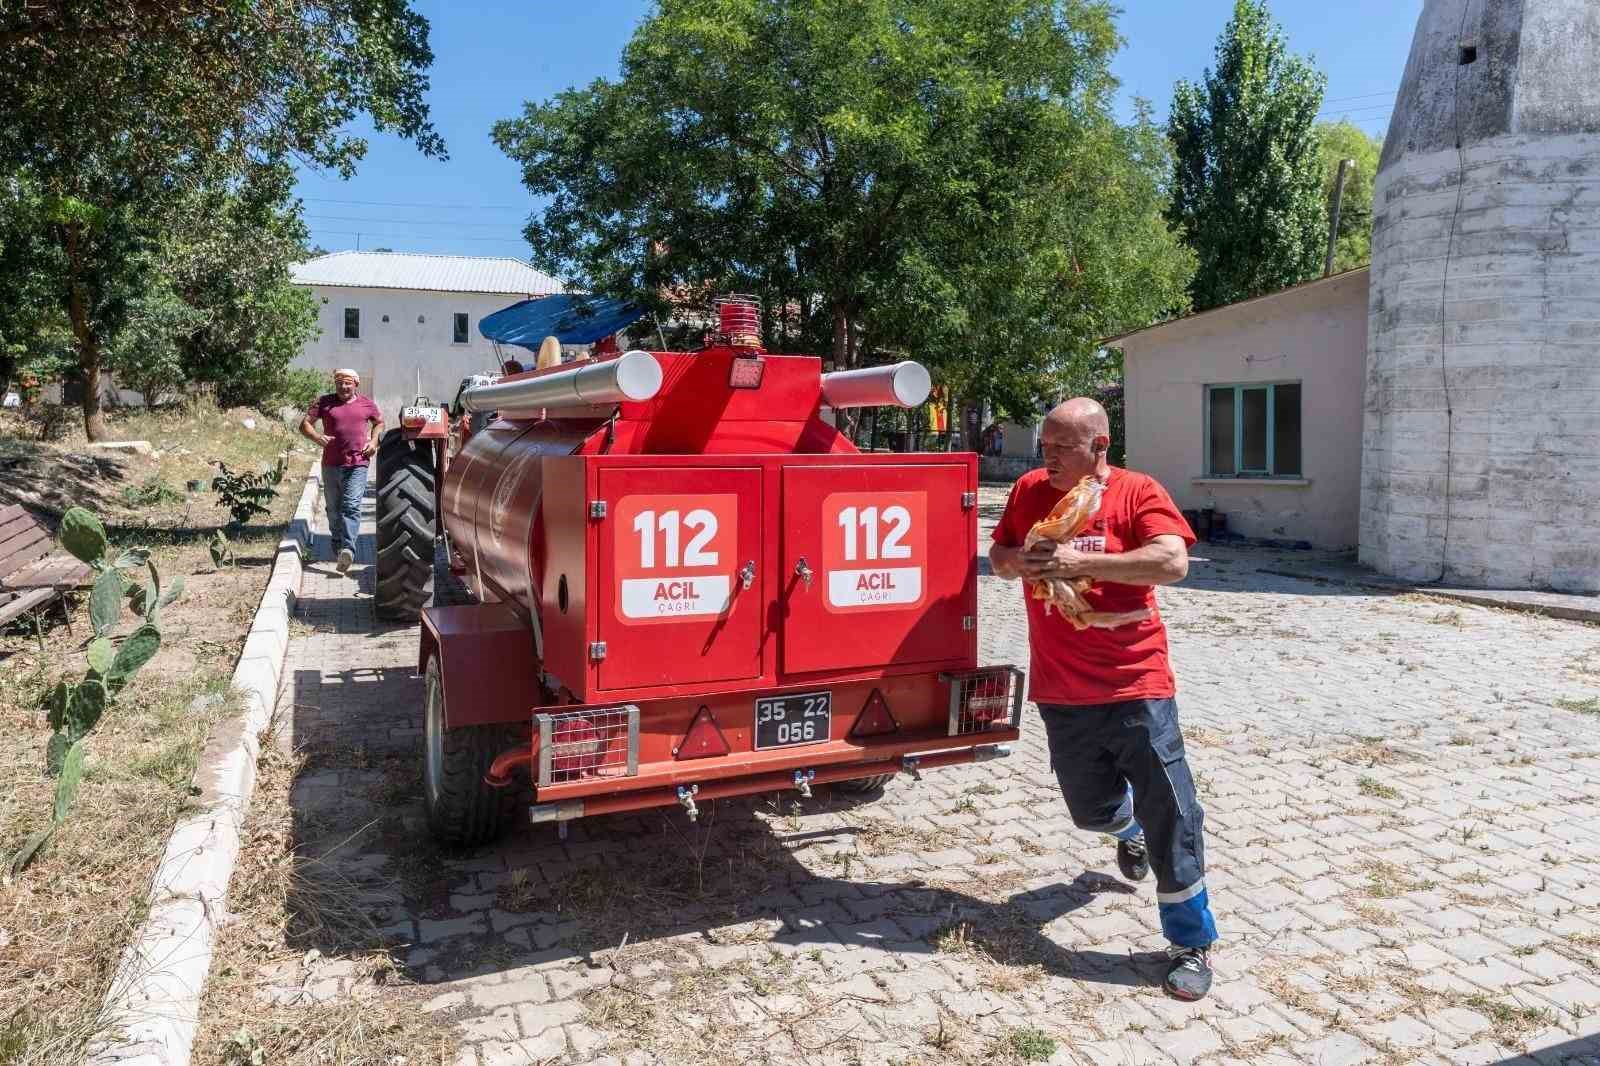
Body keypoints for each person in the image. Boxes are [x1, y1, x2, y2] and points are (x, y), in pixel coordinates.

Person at [988, 397, 1219, 1001]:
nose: (1049, 459)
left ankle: (1189, 942)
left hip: (1136, 683)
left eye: (1062, 448)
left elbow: (1173, 561)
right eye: (1044, 446)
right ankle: (1126, 829)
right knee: (1089, 810)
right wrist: (1021, 563)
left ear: (1099, 447)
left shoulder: (1136, 492)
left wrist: (1077, 560)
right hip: (1061, 688)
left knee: (1174, 811)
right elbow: (999, 556)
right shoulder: (1030, 491)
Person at [299, 369, 384, 575]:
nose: (343, 387)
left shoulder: (366, 404)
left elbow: (379, 422)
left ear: (356, 384)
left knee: (351, 506)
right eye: (339, 384)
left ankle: (348, 548)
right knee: (333, 510)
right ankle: (338, 546)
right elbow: (304, 425)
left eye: (347, 383)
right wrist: (318, 438)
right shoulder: (325, 402)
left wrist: (373, 441)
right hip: (331, 464)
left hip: (358, 463)